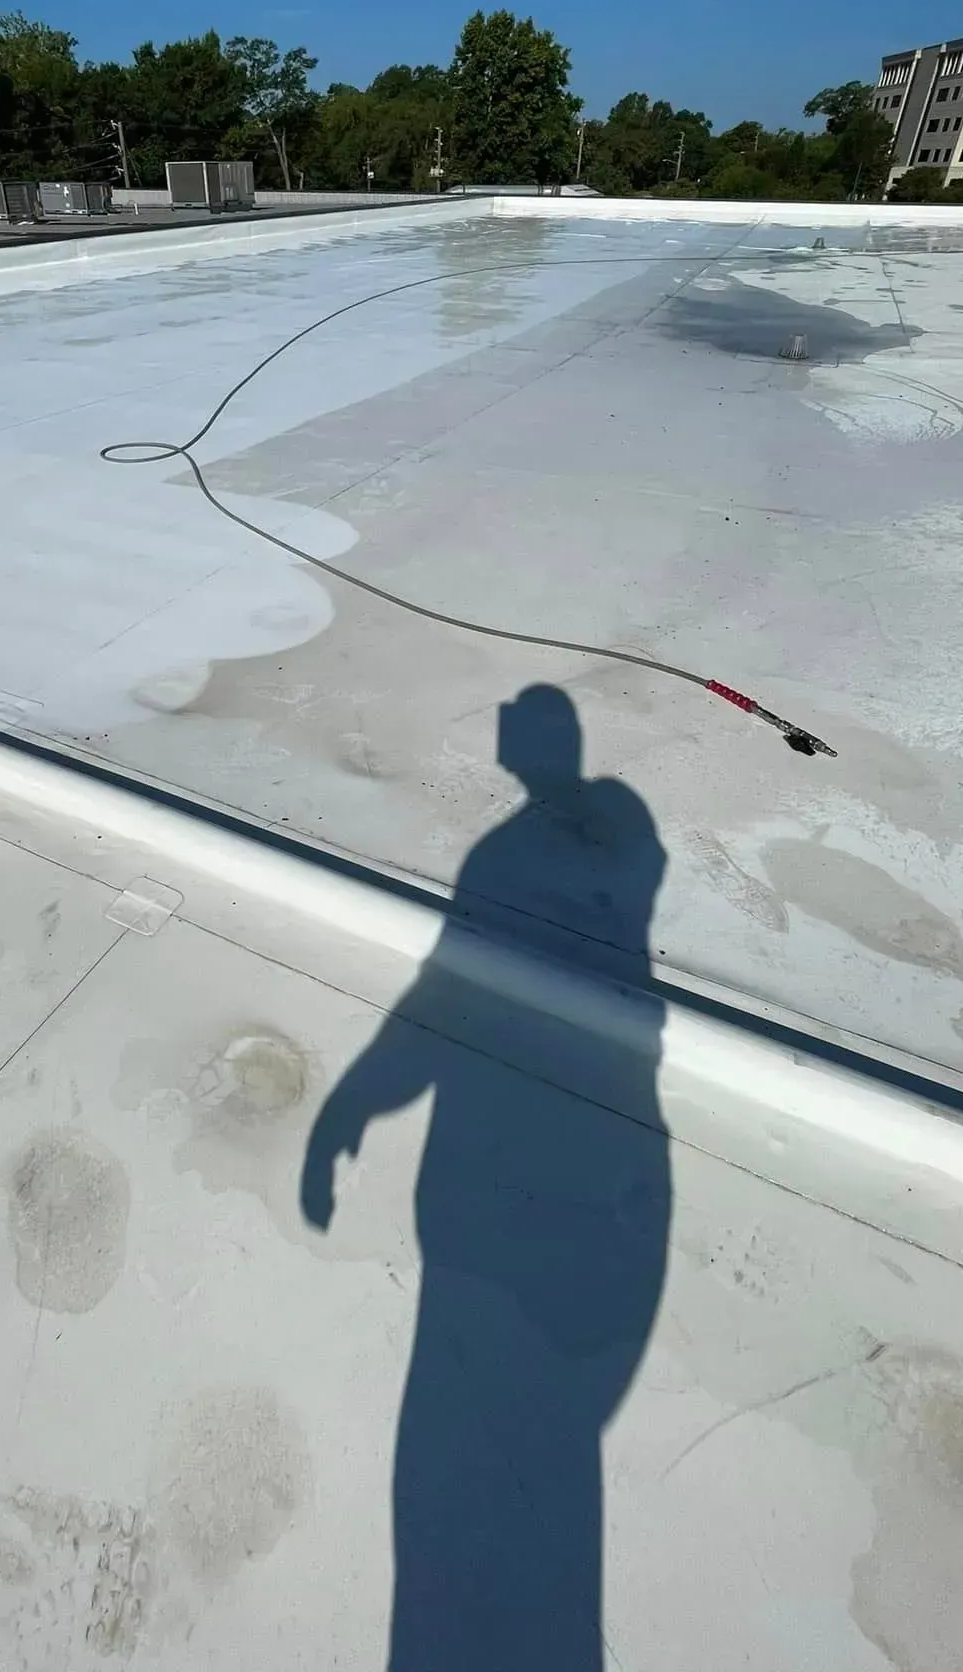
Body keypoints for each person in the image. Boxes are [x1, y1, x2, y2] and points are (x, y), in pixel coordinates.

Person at [301, 685, 671, 1672]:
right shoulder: (584, 833)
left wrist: (350, 1106)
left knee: (469, 1472)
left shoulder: (533, 848)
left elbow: (445, 995)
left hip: (523, 1201)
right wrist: (353, 1105)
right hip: (538, 1192)